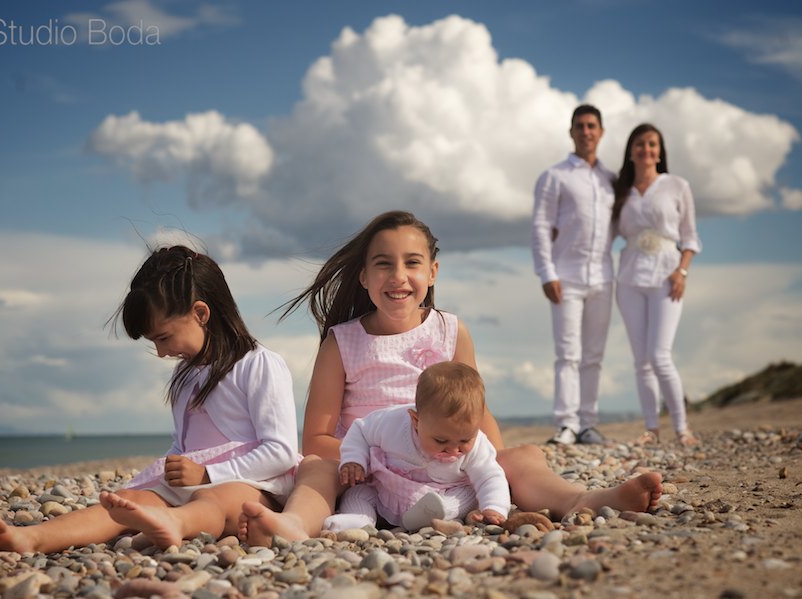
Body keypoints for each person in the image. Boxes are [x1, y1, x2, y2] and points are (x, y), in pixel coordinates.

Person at [237, 211, 662, 546]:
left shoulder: (450, 330)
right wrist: (371, 460)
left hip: (447, 466)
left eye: (412, 263)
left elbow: (475, 409)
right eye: (383, 264)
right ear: (364, 277)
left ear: (433, 272)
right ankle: (293, 524)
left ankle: (582, 500)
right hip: (368, 472)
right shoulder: (342, 341)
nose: (398, 276)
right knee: (315, 467)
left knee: (524, 457)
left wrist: (492, 459)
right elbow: (316, 437)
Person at [0, 246, 300, 553]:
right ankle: (32, 537)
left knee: (214, 501)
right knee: (127, 503)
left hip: (255, 488)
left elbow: (281, 451)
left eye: (164, 337)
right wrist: (162, 478)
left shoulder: (258, 364)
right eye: (153, 342)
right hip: (196, 483)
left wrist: (207, 476)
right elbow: (183, 446)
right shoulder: (185, 375)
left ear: (201, 313)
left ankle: (174, 522)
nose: (160, 352)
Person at [324, 361, 510, 532]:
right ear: (415, 420)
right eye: (441, 441)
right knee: (358, 494)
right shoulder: (392, 423)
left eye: (465, 440)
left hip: (442, 494)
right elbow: (361, 431)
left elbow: (490, 476)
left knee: (466, 494)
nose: (454, 450)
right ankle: (359, 521)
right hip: (386, 491)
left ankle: (438, 512)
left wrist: (494, 507)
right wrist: (354, 460)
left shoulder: (478, 444)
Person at [612, 124, 701, 446]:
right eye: (640, 144)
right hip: (629, 277)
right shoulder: (621, 191)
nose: (646, 149)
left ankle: (682, 428)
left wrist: (682, 271)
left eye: (652, 144)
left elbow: (690, 236)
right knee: (641, 360)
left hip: (667, 275)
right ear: (631, 151)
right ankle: (652, 429)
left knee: (659, 355)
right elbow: (602, 231)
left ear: (660, 151)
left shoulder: (677, 185)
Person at [532, 104, 616, 446]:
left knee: (593, 355)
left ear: (601, 132)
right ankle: (567, 424)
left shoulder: (611, 180)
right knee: (568, 353)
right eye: (580, 126)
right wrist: (546, 272)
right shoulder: (555, 176)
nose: (586, 132)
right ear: (571, 131)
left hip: (603, 277)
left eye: (592, 126)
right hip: (565, 276)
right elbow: (540, 226)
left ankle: (587, 424)